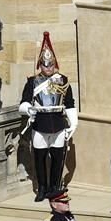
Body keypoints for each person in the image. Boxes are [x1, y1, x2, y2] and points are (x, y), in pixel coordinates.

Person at [19, 31, 77, 202]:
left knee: (58, 158)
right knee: (40, 158)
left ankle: (54, 187)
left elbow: (70, 103)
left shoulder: (63, 80)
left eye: (51, 65)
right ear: (40, 65)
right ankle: (42, 188)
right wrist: (29, 109)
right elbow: (23, 102)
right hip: (40, 123)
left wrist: (73, 124)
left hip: (58, 123)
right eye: (45, 65)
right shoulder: (32, 82)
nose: (48, 68)